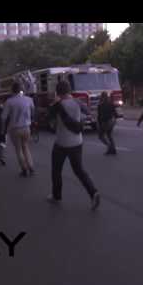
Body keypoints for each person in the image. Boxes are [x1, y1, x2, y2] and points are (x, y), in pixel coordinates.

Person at [47, 80, 100, 211]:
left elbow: (50, 120)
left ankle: (56, 195)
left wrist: (54, 103)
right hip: (77, 142)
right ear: (69, 90)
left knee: (56, 171)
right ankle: (93, 192)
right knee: (79, 170)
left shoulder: (57, 106)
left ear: (58, 92)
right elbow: (88, 115)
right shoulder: (78, 102)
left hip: (61, 143)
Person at [1, 82, 35, 177]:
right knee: (26, 147)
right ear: (21, 89)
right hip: (26, 128)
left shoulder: (9, 102)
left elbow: (3, 117)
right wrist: (31, 119)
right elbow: (33, 111)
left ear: (12, 90)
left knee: (18, 149)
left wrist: (3, 129)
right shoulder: (29, 100)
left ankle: (24, 169)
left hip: (14, 129)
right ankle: (31, 167)